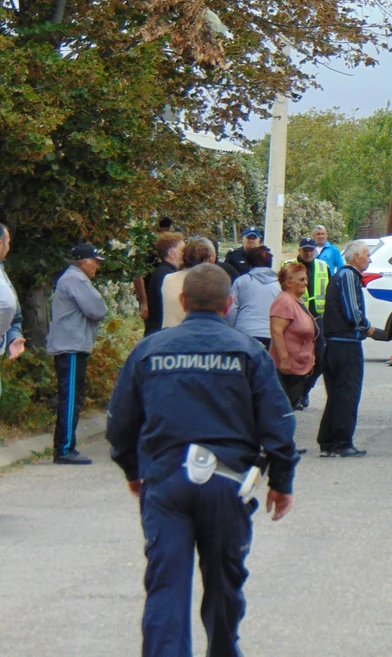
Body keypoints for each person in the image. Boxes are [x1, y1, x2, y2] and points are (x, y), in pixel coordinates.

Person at [106, 263, 298, 657]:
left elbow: (120, 423)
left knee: (166, 584)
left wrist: (133, 470)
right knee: (225, 584)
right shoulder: (248, 353)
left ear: (181, 300)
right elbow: (278, 426)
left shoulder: (148, 350)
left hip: (165, 480)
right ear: (229, 304)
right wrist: (282, 481)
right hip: (227, 482)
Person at [46, 243, 108, 465]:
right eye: (95, 262)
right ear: (84, 262)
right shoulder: (76, 279)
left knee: (73, 396)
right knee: (71, 397)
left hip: (71, 345)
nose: (97, 267)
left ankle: (66, 446)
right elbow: (98, 309)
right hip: (70, 346)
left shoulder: (71, 278)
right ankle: (64, 449)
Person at [316, 241, 374, 458]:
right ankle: (342, 442)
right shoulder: (349, 276)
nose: (369, 259)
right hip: (346, 345)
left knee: (336, 395)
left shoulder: (338, 276)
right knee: (347, 394)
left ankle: (327, 442)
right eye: (367, 255)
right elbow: (352, 312)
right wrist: (368, 328)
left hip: (333, 344)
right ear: (356, 257)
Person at [282, 236, 330, 406]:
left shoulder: (323, 267)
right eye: (305, 250)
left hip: (317, 320)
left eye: (311, 249)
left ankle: (305, 391)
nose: (309, 253)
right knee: (296, 358)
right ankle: (294, 395)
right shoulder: (288, 266)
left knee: (321, 359)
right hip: (295, 319)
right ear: (299, 250)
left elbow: (329, 293)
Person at [269, 262, 317, 412]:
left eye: (305, 279)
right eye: (301, 280)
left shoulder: (298, 300)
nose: (305, 283)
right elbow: (277, 331)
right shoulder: (284, 301)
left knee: (290, 409)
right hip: (287, 369)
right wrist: (284, 360)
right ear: (288, 283)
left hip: (299, 365)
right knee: (283, 410)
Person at [227, 246, 280, 347]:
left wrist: (229, 332)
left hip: (244, 334)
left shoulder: (241, 281)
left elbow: (231, 311)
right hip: (270, 335)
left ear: (249, 264)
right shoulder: (279, 285)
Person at [161, 237, 215, 329]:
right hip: (190, 336)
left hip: (167, 334)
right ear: (209, 259)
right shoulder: (204, 283)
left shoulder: (168, 279)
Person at [0, 224, 26, 396]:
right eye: (8, 242)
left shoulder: (2, 273)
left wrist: (13, 336)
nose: (9, 247)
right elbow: (7, 305)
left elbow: (14, 314)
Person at [144, 231, 185, 336]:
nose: (184, 255)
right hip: (160, 333)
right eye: (182, 251)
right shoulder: (167, 276)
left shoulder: (162, 272)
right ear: (171, 254)